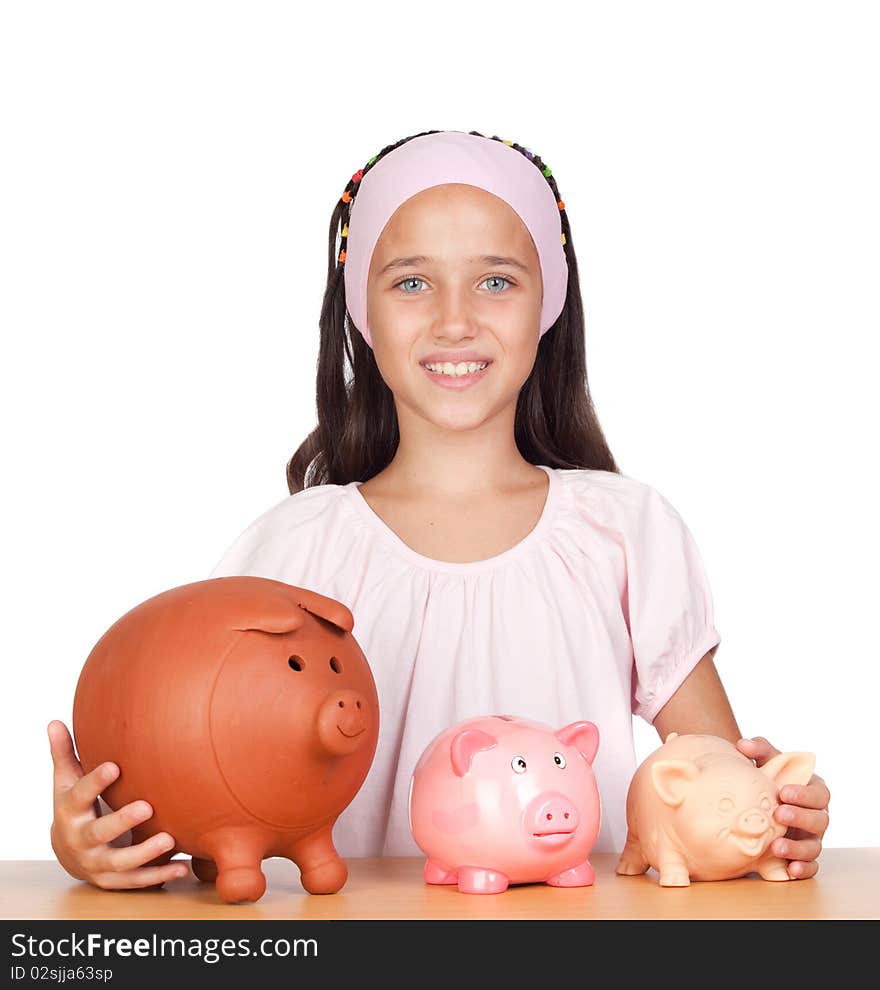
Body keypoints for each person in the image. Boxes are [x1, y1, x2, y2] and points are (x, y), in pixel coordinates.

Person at [48, 129, 830, 891]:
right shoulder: (293, 549)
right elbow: (190, 788)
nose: (455, 319)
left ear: (548, 305)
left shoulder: (625, 531)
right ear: (362, 312)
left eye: (496, 280)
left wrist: (776, 812)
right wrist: (97, 844)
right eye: (412, 281)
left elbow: (709, 776)